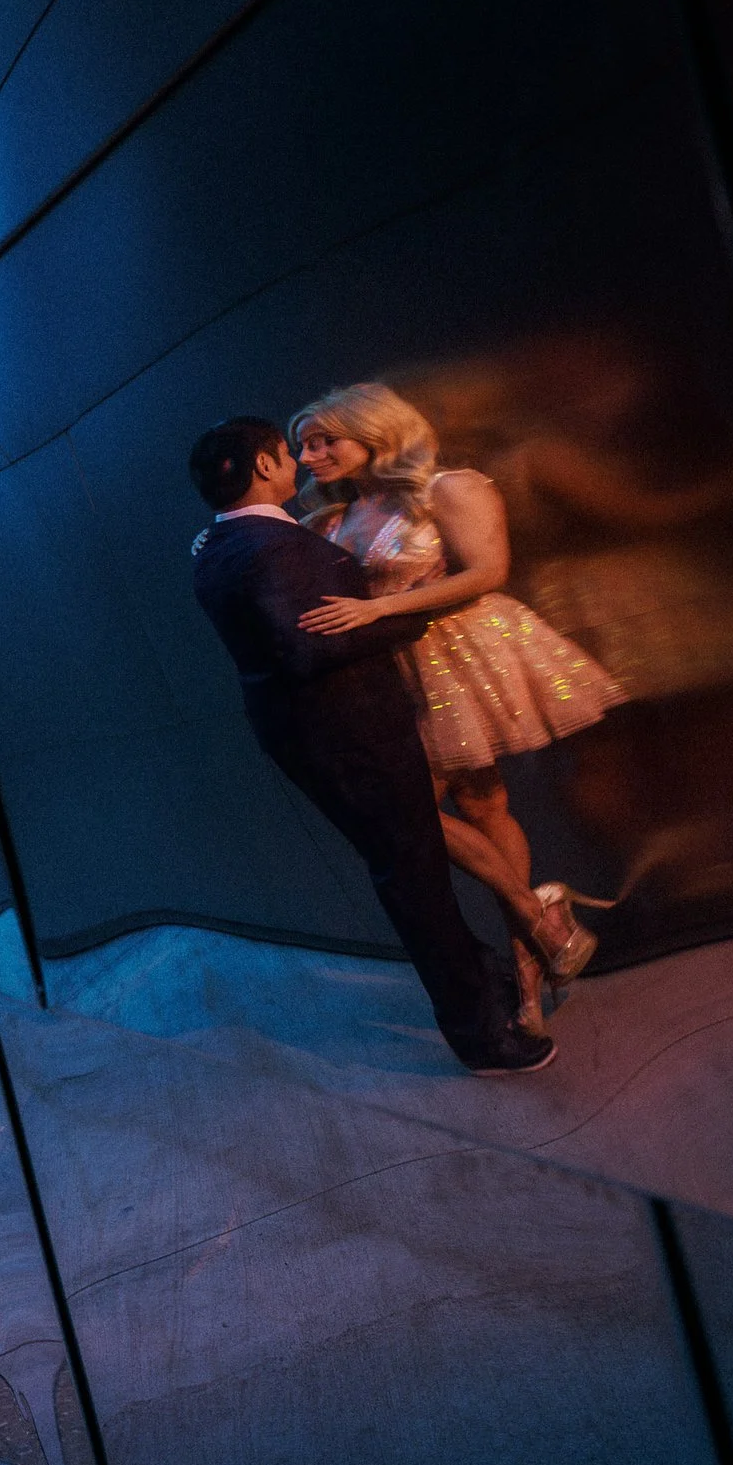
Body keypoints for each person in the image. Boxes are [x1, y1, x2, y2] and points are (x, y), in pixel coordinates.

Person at [187, 417, 551, 1073]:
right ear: (264, 465)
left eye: (323, 442)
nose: (304, 458)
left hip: (320, 730)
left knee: (423, 855)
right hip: (349, 731)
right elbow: (308, 644)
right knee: (415, 878)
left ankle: (502, 962)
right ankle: (483, 1031)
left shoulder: (219, 543)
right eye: (291, 450)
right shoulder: (271, 545)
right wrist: (402, 612)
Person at [288, 383, 626, 1028]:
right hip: (401, 668)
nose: (310, 457)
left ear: (375, 431)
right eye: (304, 445)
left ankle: (531, 951)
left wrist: (381, 606)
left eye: (324, 440)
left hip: (467, 650)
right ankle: (539, 921)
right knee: (469, 803)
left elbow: (487, 570)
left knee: (429, 801)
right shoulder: (335, 516)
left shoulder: (449, 488)